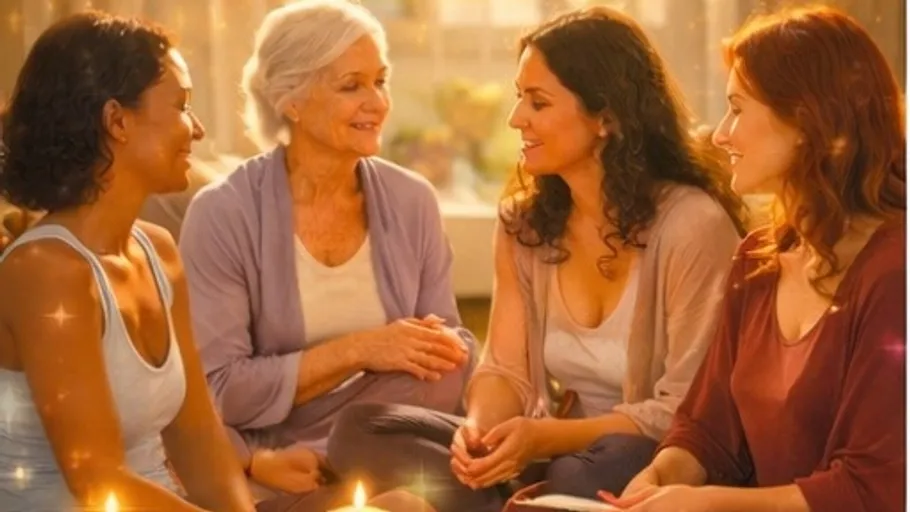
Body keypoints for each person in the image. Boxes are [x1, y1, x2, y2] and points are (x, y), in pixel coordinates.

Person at [326, 6, 746, 511]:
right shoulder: (525, 225)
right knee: (359, 431)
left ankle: (517, 500)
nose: (515, 118)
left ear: (606, 117)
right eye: (519, 97)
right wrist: (482, 433)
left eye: (538, 102)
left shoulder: (691, 225)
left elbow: (685, 412)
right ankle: (527, 502)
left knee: (596, 467)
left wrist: (545, 439)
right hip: (549, 452)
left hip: (652, 456)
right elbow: (504, 368)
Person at [177, 1, 477, 509]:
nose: (377, 103)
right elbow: (219, 390)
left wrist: (426, 350)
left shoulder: (412, 200)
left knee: (443, 373)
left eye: (380, 81)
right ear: (291, 101)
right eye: (351, 85)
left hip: (387, 442)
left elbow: (445, 359)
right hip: (278, 463)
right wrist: (362, 349)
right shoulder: (223, 213)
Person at [616, 6, 905, 512]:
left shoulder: (894, 272)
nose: (720, 133)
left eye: (737, 108)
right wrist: (661, 474)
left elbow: (876, 489)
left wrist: (707, 505)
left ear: (808, 124)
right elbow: (707, 428)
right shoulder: (757, 259)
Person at [0, 11, 254, 511]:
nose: (197, 129)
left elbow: (198, 437)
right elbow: (97, 483)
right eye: (182, 105)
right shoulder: (45, 270)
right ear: (116, 120)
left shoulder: (158, 251)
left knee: (402, 504)